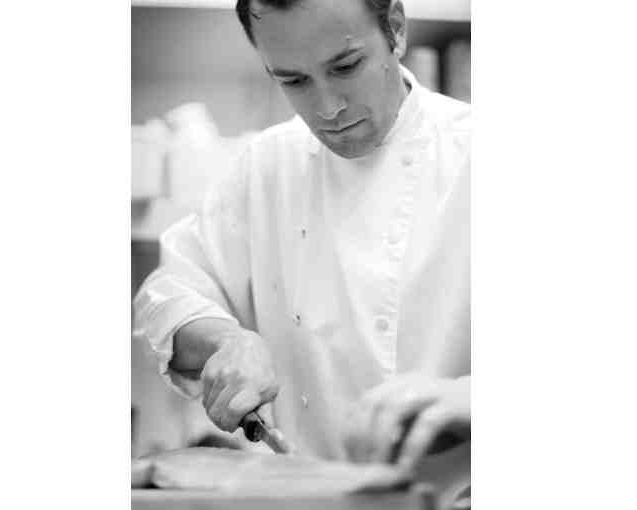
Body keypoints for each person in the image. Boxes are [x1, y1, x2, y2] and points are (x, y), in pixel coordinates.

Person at [133, 0, 470, 501]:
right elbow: (169, 295)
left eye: (346, 66)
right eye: (293, 80)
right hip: (308, 498)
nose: (327, 107)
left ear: (396, 29)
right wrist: (227, 341)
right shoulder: (268, 165)